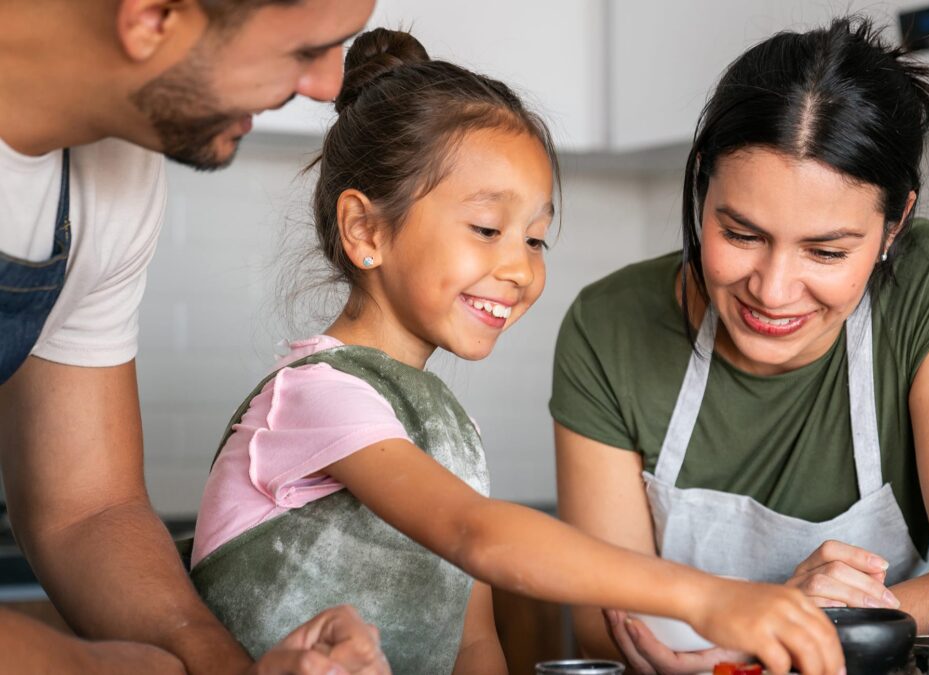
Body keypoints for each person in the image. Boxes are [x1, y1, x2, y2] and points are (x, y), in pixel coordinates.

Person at [189, 28, 845, 675]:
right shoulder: (315, 396)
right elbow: (478, 533)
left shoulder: (451, 433)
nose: (520, 269)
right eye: (486, 228)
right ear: (365, 229)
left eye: (535, 240)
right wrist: (711, 596)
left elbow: (472, 645)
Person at [551, 16, 929, 675]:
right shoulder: (608, 325)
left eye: (826, 251)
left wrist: (791, 629)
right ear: (701, 183)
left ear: (896, 225)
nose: (774, 291)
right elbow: (606, 625)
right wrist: (781, 612)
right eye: (741, 233)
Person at [0, 1, 389, 673]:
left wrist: (224, 664)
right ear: (153, 16)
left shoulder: (111, 168)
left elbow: (86, 509)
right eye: (305, 51)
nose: (329, 85)